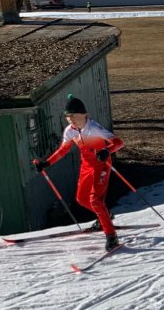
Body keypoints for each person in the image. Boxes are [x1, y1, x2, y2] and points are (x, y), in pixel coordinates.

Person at [32, 95, 124, 251]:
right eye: (68, 117)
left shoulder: (94, 128)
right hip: (86, 167)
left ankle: (111, 236)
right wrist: (46, 163)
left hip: (101, 166)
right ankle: (105, 215)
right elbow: (63, 150)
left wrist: (106, 151)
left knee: (95, 200)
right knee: (81, 199)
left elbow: (118, 143)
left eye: (73, 115)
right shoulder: (70, 131)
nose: (70, 120)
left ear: (83, 114)